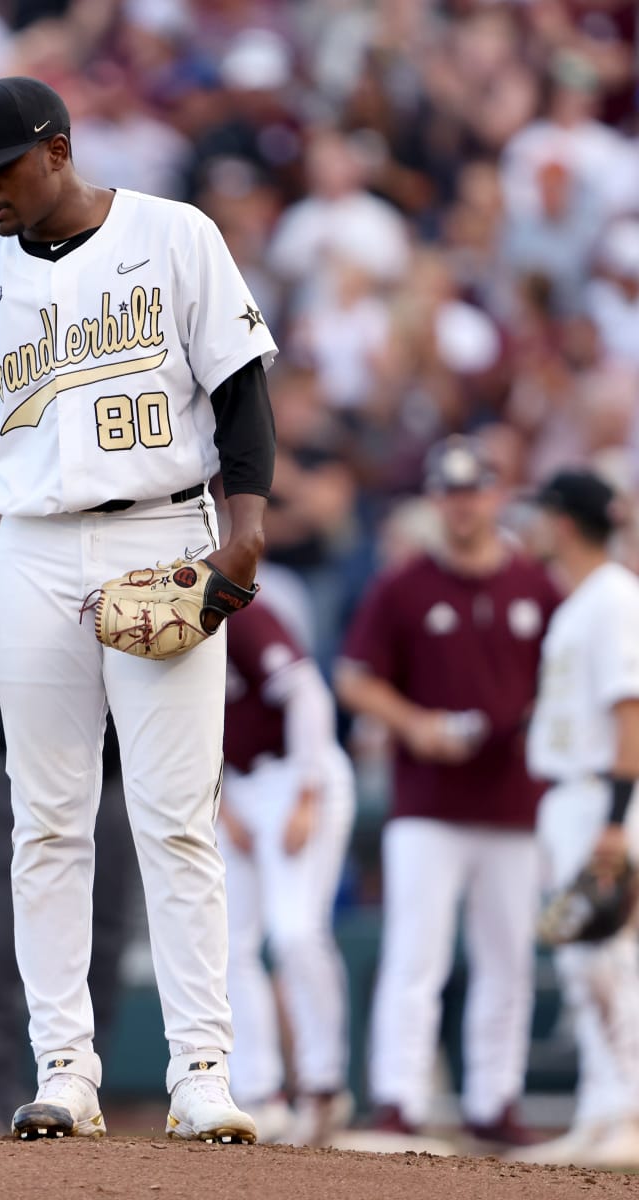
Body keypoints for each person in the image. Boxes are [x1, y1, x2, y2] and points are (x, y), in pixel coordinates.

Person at [0, 76, 278, 1143]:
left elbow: (244, 392)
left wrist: (241, 530)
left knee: (172, 817)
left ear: (58, 149)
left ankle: (201, 1068)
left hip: (163, 531)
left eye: (2, 169)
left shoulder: (174, 235)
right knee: (46, 822)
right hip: (28, 550)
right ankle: (64, 1065)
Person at [334, 435, 560, 1148]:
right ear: (436, 501)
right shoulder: (404, 586)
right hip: (428, 799)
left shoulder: (534, 586)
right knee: (415, 953)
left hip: (513, 800)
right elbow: (354, 675)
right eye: (450, 493)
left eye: (474, 491)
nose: (462, 506)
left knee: (507, 958)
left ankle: (495, 1099)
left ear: (495, 495)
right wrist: (413, 723)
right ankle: (399, 1096)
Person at [0, 599, 134, 1135]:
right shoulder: (16, 588)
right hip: (20, 779)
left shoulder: (136, 584)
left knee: (102, 945)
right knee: (4, 937)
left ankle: (78, 1092)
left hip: (114, 784)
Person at [522, 469, 639, 1168]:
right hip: (574, 792)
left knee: (611, 959)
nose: (535, 527)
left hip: (601, 794)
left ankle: (627, 1110)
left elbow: (631, 712)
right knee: (582, 964)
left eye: (542, 515)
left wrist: (615, 821)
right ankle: (603, 1112)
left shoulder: (613, 598)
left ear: (563, 522)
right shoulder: (584, 601)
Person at [217, 600, 355, 1146]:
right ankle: (258, 1092)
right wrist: (226, 806)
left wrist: (305, 793)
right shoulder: (151, 623)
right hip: (234, 784)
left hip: (295, 772)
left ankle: (323, 1084)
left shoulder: (235, 607)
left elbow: (308, 694)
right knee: (230, 944)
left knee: (295, 930)